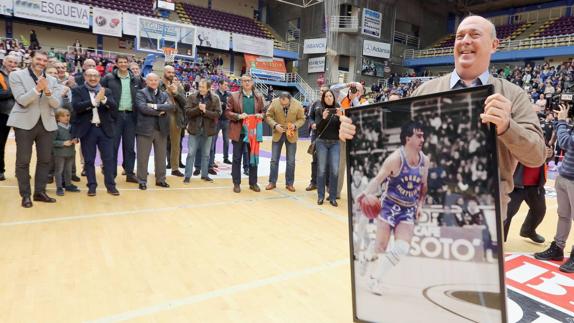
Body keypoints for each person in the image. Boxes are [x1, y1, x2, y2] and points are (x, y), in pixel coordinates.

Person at [339, 15, 545, 218]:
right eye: (460, 36)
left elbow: (536, 156)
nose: (465, 41)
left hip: (483, 213)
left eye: (474, 34)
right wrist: (355, 134)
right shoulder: (424, 91)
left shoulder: (512, 95)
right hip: (424, 210)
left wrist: (507, 127)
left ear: (494, 44)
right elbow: (393, 146)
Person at [357, 121, 429, 295]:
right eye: (418, 136)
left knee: (402, 247)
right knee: (380, 247)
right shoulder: (395, 159)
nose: (422, 139)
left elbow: (423, 186)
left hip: (407, 209)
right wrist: (365, 193)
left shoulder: (424, 161)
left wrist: (419, 205)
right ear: (407, 138)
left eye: (423, 136)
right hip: (389, 206)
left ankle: (375, 280)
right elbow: (378, 180)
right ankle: (366, 257)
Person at [8, 51, 61, 208]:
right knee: (23, 161)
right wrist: (37, 89)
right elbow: (22, 100)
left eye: (45, 60)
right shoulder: (16, 75)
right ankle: (25, 195)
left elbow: (56, 104)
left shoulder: (52, 79)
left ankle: (39, 192)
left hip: (47, 124)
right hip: (24, 122)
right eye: (38, 59)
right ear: (31, 59)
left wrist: (48, 91)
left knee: (45, 160)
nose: (41, 62)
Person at [534, 104, 574, 273]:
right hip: (564, 176)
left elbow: (565, 142)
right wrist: (564, 122)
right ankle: (558, 248)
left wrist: (562, 121)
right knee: (563, 215)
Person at [71, 68, 119, 197]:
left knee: (108, 159)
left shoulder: (106, 91)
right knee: (89, 160)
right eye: (90, 75)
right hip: (88, 130)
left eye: (95, 76)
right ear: (85, 77)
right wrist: (94, 102)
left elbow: (114, 107)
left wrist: (103, 99)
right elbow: (76, 107)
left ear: (99, 77)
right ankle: (92, 186)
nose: (93, 78)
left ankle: (111, 186)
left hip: (105, 130)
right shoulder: (77, 90)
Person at [101, 55, 141, 182]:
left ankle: (129, 173)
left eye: (125, 62)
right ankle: (111, 174)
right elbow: (100, 93)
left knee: (129, 147)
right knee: (113, 146)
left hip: (130, 116)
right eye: (120, 62)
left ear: (128, 63)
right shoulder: (108, 78)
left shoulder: (135, 79)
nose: (123, 64)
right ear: (116, 64)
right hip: (114, 117)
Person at [225, 74, 265, 193]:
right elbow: (227, 112)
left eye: (248, 80)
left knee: (253, 158)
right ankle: (236, 183)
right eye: (244, 81)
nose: (247, 83)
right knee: (237, 158)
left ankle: (253, 183)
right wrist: (238, 116)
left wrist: (261, 115)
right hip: (239, 132)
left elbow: (263, 112)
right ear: (241, 83)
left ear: (252, 82)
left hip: (253, 133)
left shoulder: (258, 96)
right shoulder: (233, 95)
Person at [135, 73, 174, 190]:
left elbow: (171, 107)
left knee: (161, 157)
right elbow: (143, 108)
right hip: (145, 129)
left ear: (159, 81)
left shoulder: (164, 94)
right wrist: (159, 112)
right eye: (150, 80)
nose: (153, 82)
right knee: (143, 157)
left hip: (161, 130)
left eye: (155, 80)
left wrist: (154, 106)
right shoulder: (141, 93)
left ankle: (160, 180)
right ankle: (142, 181)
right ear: (146, 81)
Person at [264, 92, 305, 192]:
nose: (283, 106)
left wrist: (295, 126)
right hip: (277, 134)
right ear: (280, 99)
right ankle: (272, 182)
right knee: (274, 160)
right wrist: (275, 125)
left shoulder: (298, 104)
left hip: (291, 135)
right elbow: (268, 116)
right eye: (282, 104)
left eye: (285, 104)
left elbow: (302, 119)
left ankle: (289, 184)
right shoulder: (274, 102)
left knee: (291, 161)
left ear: (290, 100)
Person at [184, 79, 222, 183]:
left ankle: (204, 175)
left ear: (208, 88)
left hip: (208, 130)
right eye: (199, 86)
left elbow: (218, 114)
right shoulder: (192, 97)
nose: (200, 89)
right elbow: (187, 112)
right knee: (191, 153)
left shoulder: (215, 98)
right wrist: (198, 109)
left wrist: (205, 111)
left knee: (206, 154)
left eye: (203, 87)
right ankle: (187, 176)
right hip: (194, 129)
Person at [315, 90, 343, 206]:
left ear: (333, 97)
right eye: (326, 96)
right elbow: (318, 129)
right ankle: (320, 196)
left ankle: (332, 197)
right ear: (323, 98)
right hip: (321, 142)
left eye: (330, 96)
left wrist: (341, 118)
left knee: (335, 171)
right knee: (321, 170)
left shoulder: (338, 109)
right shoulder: (319, 110)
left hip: (335, 143)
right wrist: (324, 118)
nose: (328, 98)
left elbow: (341, 128)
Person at [162, 65, 186, 177]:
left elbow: (185, 103)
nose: (171, 74)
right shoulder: (157, 84)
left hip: (175, 117)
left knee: (175, 145)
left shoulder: (179, 87)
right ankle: (160, 167)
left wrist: (176, 93)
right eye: (168, 72)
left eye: (172, 72)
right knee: (159, 143)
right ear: (164, 72)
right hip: (160, 117)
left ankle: (175, 168)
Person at [306, 85, 329, 191]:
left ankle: (327, 184)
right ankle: (313, 182)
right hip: (316, 135)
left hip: (328, 136)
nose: (321, 92)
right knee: (315, 160)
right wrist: (312, 123)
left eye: (324, 91)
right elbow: (310, 117)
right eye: (321, 91)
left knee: (327, 161)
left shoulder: (332, 104)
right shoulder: (315, 103)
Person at [52, 108, 80, 196]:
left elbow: (76, 137)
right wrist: (63, 143)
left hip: (70, 153)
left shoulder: (72, 127)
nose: (66, 117)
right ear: (57, 118)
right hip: (59, 154)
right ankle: (59, 187)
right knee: (59, 171)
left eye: (68, 115)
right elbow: (52, 142)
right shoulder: (56, 128)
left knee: (68, 170)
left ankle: (68, 185)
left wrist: (76, 140)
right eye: (63, 116)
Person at [0, 55, 18, 181]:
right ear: (4, 62)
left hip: (20, 114)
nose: (12, 64)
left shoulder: (20, 76)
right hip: (2, 114)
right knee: (0, 144)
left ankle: (20, 171)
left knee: (23, 145)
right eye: (10, 61)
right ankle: (0, 170)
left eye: (15, 62)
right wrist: (15, 91)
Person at [212, 79, 232, 165]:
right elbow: (214, 105)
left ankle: (226, 158)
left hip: (226, 120)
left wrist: (224, 104)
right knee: (214, 140)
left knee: (226, 141)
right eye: (225, 84)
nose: (226, 86)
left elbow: (230, 105)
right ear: (220, 84)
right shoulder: (215, 94)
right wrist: (223, 104)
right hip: (217, 120)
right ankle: (212, 159)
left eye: (227, 85)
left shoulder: (229, 95)